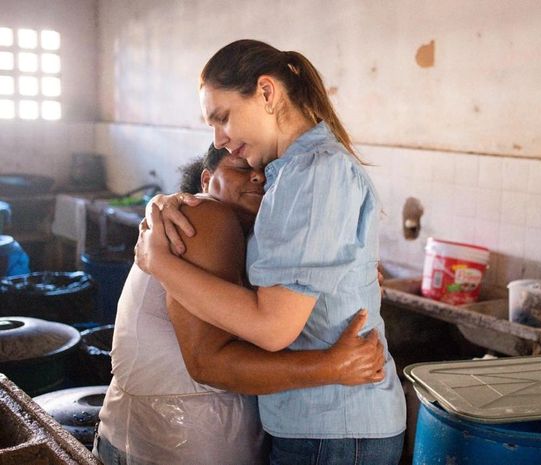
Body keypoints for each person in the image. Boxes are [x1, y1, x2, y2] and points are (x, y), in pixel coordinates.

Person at [136, 39, 406, 465]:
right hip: (323, 422)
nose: (220, 139)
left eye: (222, 118)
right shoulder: (293, 172)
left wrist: (159, 262)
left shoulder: (312, 172)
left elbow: (272, 328)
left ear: (266, 92)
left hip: (333, 424)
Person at [96, 144, 386, 465]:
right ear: (206, 181)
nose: (259, 177)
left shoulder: (257, 244)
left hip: (178, 439)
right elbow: (207, 363)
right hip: (174, 444)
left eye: (268, 172)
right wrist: (332, 367)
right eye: (241, 168)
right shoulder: (205, 216)